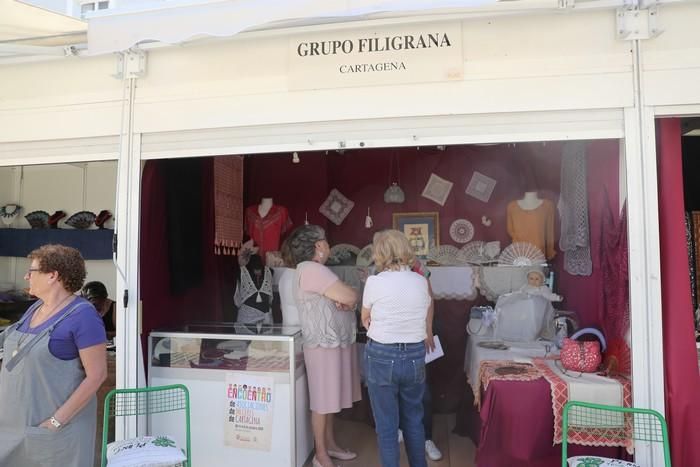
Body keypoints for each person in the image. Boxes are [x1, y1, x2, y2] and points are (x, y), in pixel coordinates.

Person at [0, 244, 108, 466]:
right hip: (15, 429)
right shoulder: (35, 308)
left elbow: (97, 376)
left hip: (55, 433)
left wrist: (55, 422)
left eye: (32, 271)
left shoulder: (83, 316)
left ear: (52, 276)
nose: (26, 276)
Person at [282, 225, 361, 467]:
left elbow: (341, 299)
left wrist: (343, 299)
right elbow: (350, 296)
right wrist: (347, 298)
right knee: (322, 401)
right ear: (318, 246)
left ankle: (330, 445)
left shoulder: (311, 270)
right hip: (322, 344)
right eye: (325, 241)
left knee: (328, 399)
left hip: (328, 342)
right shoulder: (313, 270)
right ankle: (321, 454)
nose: (328, 245)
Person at [361, 230, 431, 467]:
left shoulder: (375, 281)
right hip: (414, 354)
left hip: (382, 354)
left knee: (387, 425)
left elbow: (365, 318)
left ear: (380, 253)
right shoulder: (421, 281)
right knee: (414, 420)